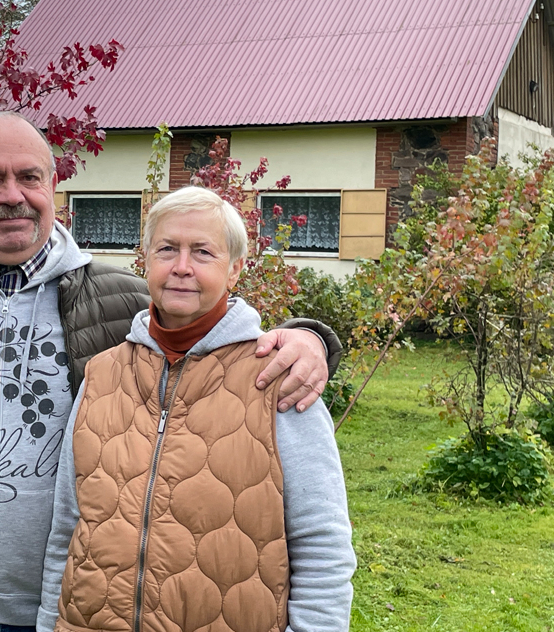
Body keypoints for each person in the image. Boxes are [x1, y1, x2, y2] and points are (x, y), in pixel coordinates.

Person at [0, 112, 343, 632]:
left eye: (29, 177)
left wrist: (310, 339)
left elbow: (212, 329)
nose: (12, 194)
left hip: (70, 609)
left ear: (53, 187)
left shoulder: (120, 304)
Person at [38, 186, 355, 632]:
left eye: (203, 252)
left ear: (235, 269)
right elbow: (68, 533)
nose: (182, 267)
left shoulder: (279, 378)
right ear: (144, 258)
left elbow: (322, 548)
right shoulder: (102, 376)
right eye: (167, 249)